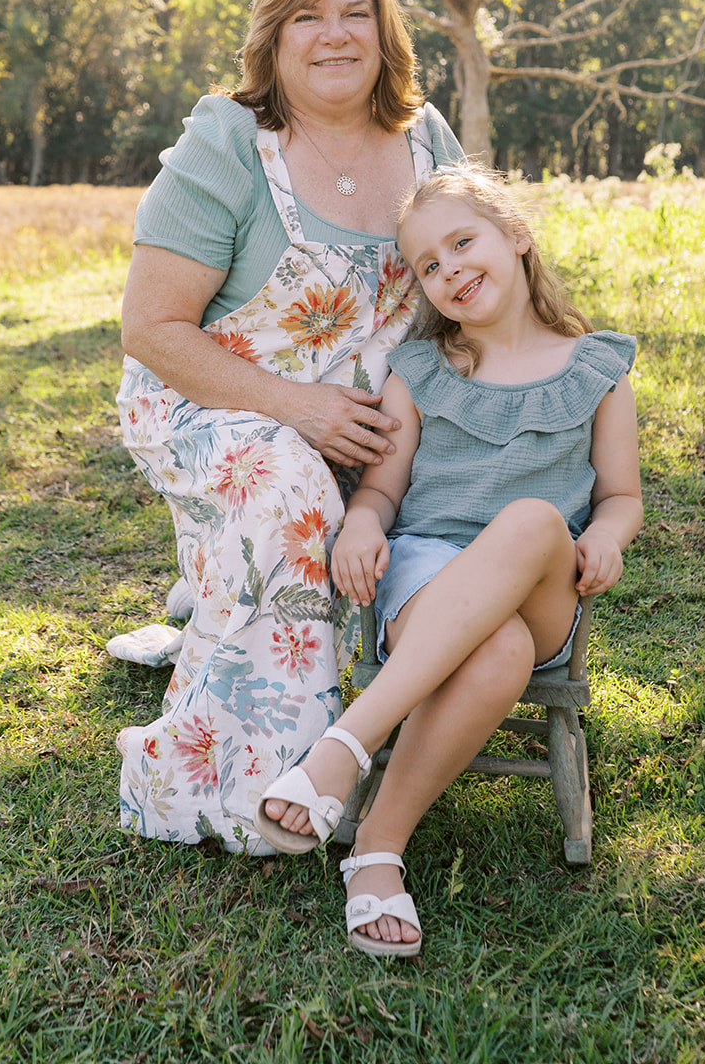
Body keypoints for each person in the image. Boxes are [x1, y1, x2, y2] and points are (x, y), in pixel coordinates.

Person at [115, 0, 464, 852]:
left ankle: (235, 603)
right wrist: (297, 407)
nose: (335, 35)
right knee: (290, 491)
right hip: (212, 404)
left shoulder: (427, 141)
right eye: (307, 17)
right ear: (272, 39)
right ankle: (252, 787)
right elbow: (151, 330)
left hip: (382, 420)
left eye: (357, 13)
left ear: (387, 34)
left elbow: (481, 274)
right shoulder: (227, 143)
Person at [256, 166, 642, 957]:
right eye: (428, 265)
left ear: (517, 237)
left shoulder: (597, 369)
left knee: (533, 519)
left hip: (543, 584)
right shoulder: (420, 372)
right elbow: (385, 489)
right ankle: (376, 852)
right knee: (494, 648)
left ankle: (344, 747)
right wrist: (363, 522)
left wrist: (606, 536)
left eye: (463, 242)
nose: (449, 269)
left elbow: (621, 497)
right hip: (427, 575)